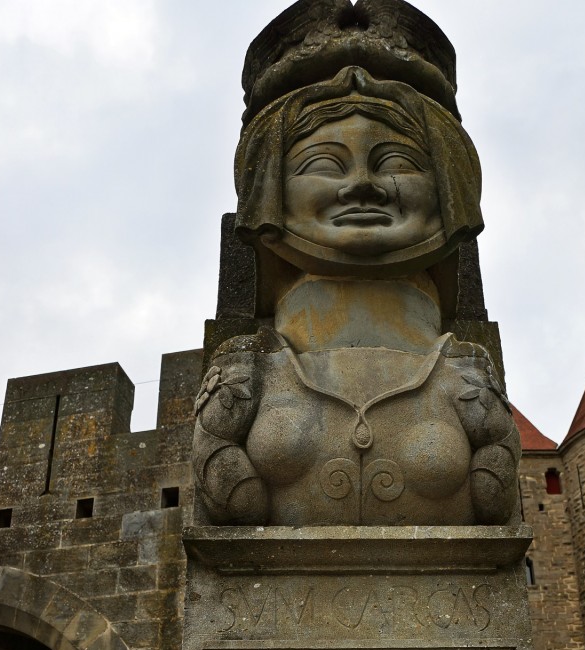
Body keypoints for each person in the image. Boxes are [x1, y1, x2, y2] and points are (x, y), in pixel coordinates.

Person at [193, 66, 519, 528]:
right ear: (269, 190)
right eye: (323, 164)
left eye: (397, 162)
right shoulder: (248, 368)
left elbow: (495, 499)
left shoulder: (466, 371)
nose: (363, 184)